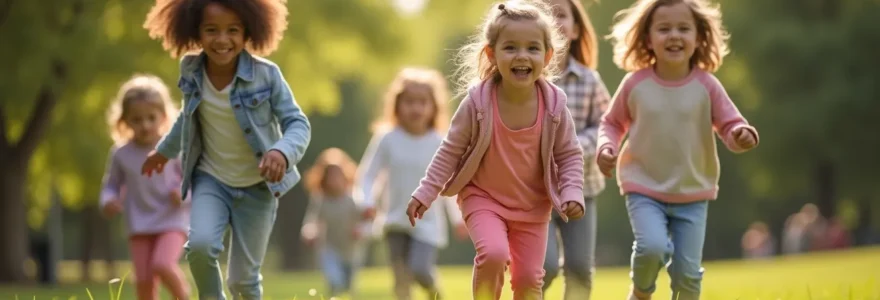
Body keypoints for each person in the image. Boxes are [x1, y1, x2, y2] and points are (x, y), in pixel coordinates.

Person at [405, 1, 586, 299]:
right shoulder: (477, 103)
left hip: (533, 207)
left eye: (532, 48)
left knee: (529, 280)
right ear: (492, 53)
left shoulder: (554, 105)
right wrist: (425, 193)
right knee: (493, 255)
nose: (522, 56)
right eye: (511, 47)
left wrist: (572, 192)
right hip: (483, 198)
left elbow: (569, 155)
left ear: (548, 55)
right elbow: (449, 152)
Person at [141, 0, 311, 298]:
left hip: (258, 188)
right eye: (211, 30)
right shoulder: (191, 70)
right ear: (196, 31)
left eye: (232, 30)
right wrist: (163, 151)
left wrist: (281, 152)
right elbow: (188, 116)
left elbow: (297, 123)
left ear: (249, 32)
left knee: (243, 282)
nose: (222, 40)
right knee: (200, 247)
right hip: (211, 179)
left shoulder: (267, 75)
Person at [600, 0, 760, 299]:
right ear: (648, 38)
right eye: (664, 29)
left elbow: (731, 123)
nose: (674, 35)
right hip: (644, 187)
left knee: (688, 276)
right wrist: (606, 147)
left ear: (699, 37)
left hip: (693, 192)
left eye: (683, 28)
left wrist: (740, 134)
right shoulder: (635, 84)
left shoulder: (707, 85)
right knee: (652, 247)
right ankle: (641, 291)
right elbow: (611, 123)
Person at [355, 67, 468, 300]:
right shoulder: (387, 138)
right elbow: (368, 174)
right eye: (409, 102)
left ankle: (435, 294)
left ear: (433, 107)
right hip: (394, 221)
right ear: (397, 105)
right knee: (401, 280)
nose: (416, 108)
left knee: (420, 270)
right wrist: (366, 202)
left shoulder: (440, 142)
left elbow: (449, 185)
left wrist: (459, 218)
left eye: (422, 102)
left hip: (428, 224)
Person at [99, 74, 190, 300]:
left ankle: (183, 296)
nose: (145, 125)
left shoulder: (173, 148)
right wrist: (108, 200)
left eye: (151, 117)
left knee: (162, 264)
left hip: (172, 220)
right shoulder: (121, 154)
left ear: (163, 116)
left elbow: (193, 180)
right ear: (124, 121)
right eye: (137, 119)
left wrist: (182, 193)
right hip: (139, 224)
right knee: (143, 280)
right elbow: (110, 185)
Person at [541, 0, 609, 298]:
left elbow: (607, 125)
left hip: (581, 187)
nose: (553, 21)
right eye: (544, 15)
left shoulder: (589, 80)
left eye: (560, 16)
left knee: (580, 267)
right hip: (533, 189)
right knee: (542, 267)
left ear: (576, 28)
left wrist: (577, 147)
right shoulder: (523, 77)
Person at [301, 148, 367, 298]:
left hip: (351, 250)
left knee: (349, 284)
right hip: (329, 249)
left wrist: (360, 230)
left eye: (338, 176)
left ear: (345, 176)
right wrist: (309, 232)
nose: (334, 180)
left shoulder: (352, 199)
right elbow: (311, 220)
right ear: (323, 178)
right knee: (335, 280)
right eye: (330, 176)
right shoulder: (320, 200)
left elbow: (364, 221)